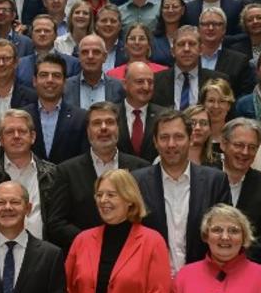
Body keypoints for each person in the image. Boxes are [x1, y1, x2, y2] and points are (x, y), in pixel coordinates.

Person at [132, 109, 231, 276]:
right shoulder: (136, 182)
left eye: (178, 137)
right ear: (155, 142)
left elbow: (225, 234)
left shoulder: (216, 181)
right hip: (151, 281)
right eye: (164, 137)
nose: (171, 144)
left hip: (203, 280)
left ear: (191, 139)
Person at [48, 101, 149, 250]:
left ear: (118, 128)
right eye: (97, 123)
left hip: (132, 253)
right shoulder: (66, 171)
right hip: (85, 256)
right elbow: (56, 222)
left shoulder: (141, 168)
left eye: (109, 122)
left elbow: (146, 215)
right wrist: (90, 242)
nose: (103, 128)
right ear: (88, 131)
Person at [0, 109, 56, 239]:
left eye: (22, 131)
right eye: (9, 132)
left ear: (33, 137)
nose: (16, 136)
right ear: (1, 140)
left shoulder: (53, 174)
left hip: (43, 253)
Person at [220, 117, 261, 267]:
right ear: (223, 144)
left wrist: (235, 263)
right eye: (239, 145)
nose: (245, 152)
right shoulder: (205, 179)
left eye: (252, 147)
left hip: (249, 269)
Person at [22, 53, 88, 164]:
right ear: (34, 81)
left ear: (64, 82)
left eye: (56, 76)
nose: (50, 80)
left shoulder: (81, 118)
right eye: (44, 75)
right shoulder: (22, 116)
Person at [151, 25, 228, 110]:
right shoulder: (156, 80)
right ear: (173, 51)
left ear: (201, 50)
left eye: (192, 44)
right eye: (181, 44)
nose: (186, 49)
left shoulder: (218, 80)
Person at [197, 7, 255, 97]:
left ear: (224, 30)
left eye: (216, 24)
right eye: (206, 24)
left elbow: (243, 96)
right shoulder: (187, 57)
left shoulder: (239, 61)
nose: (211, 28)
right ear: (199, 29)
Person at [116, 61, 165, 162]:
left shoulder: (164, 116)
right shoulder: (111, 114)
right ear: (125, 84)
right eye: (140, 82)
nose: (146, 87)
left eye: (150, 82)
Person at [14, 15, 81, 87]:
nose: (42, 34)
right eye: (38, 31)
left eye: (47, 31)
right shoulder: (19, 65)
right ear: (31, 35)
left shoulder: (73, 64)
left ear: (56, 35)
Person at [63, 33, 125, 110]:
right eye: (85, 52)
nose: (90, 56)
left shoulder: (118, 87)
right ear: (79, 57)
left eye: (96, 52)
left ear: (105, 57)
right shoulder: (65, 87)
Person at [199, 78, 235, 152]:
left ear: (228, 105)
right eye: (211, 100)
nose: (216, 106)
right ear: (203, 104)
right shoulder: (195, 136)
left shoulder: (236, 137)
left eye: (222, 101)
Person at [150, 0, 184, 67]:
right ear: (161, 10)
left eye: (175, 7)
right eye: (166, 7)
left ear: (182, 10)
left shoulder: (191, 35)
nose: (170, 10)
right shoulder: (152, 39)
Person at [93, 4, 125, 73]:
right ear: (96, 25)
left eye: (113, 21)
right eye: (104, 20)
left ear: (120, 26)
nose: (108, 24)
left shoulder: (127, 51)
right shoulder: (83, 49)